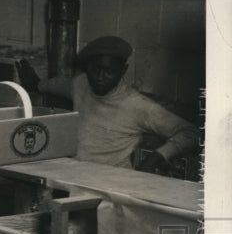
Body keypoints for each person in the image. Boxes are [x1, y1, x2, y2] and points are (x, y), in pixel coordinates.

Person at [18, 36, 198, 172]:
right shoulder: (81, 84)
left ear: (123, 71)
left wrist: (157, 156)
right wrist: (37, 84)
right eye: (95, 69)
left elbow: (192, 133)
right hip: (74, 176)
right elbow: (59, 84)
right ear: (88, 68)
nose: (100, 77)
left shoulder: (137, 105)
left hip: (111, 186)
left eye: (109, 71)